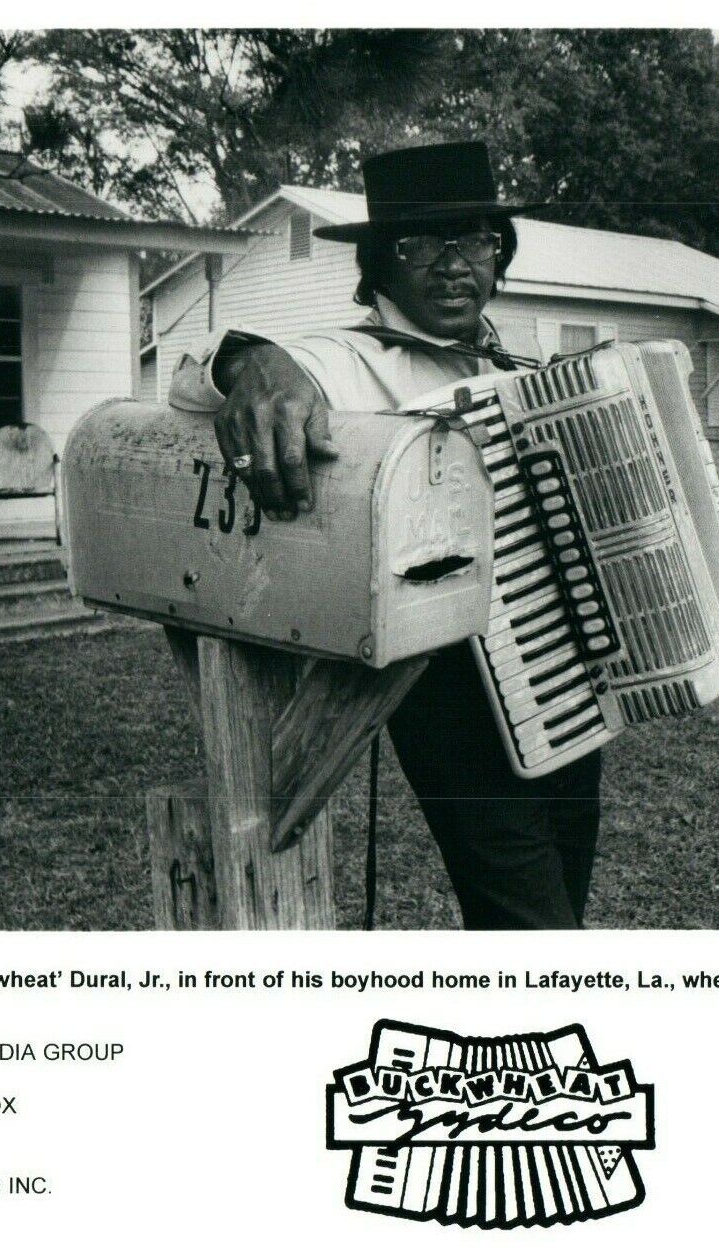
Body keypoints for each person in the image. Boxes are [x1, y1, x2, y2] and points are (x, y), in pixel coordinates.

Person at [169, 141, 602, 930]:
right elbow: (195, 374)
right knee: (528, 918)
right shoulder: (347, 361)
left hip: (562, 670)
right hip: (446, 686)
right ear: (380, 262)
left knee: (564, 896)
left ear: (498, 256)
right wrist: (252, 361)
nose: (452, 265)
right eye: (419, 244)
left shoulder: (522, 364)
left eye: (475, 240)